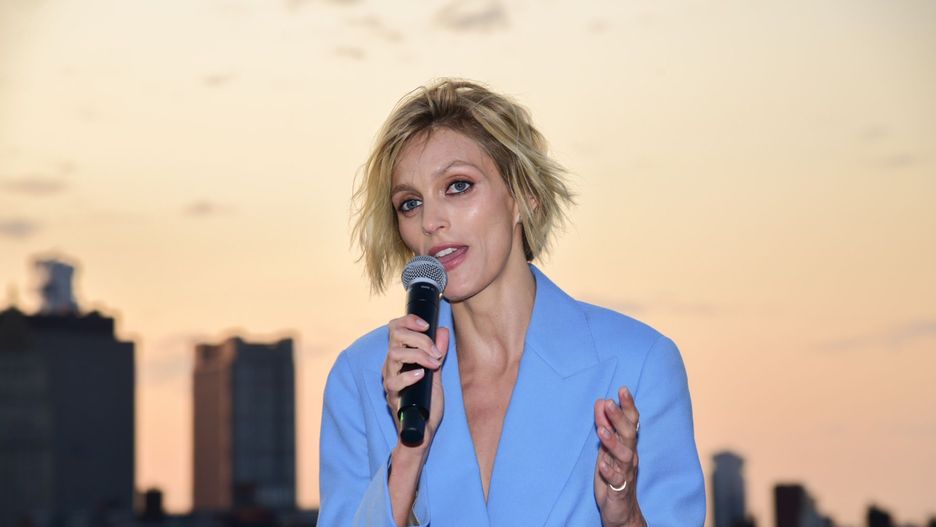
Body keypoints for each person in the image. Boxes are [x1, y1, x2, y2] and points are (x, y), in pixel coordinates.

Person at [319, 78, 705, 526]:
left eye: (458, 186)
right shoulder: (361, 378)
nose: (430, 221)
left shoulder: (638, 363)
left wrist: (625, 517)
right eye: (409, 203)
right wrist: (409, 455)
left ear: (524, 196)